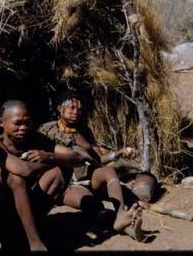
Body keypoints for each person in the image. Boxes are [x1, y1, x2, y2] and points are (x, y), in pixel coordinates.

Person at [0, 99, 85, 251]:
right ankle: (36, 244)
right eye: (17, 123)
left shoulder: (35, 139)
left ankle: (28, 229)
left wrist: (49, 156)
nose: (23, 128)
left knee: (63, 169)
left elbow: (78, 158)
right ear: (1, 122)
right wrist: (51, 162)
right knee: (16, 178)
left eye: (27, 123)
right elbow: (23, 170)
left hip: (20, 214)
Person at [38, 91, 145, 242]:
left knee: (109, 171)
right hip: (68, 185)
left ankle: (121, 213)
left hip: (89, 176)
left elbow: (100, 159)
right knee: (93, 206)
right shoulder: (47, 131)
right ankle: (128, 229)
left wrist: (119, 152)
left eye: (79, 109)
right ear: (59, 108)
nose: (76, 112)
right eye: (72, 108)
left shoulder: (84, 131)